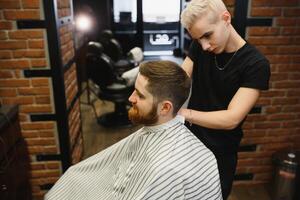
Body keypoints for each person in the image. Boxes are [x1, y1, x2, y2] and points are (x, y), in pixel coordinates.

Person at [45, 60, 222, 200]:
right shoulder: (155, 131)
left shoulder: (166, 170)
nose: (130, 98)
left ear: (165, 108)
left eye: (140, 94)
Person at [179, 0, 271, 199]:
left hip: (219, 153)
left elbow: (232, 119)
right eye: (198, 39)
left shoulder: (256, 64)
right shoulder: (201, 44)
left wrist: (182, 113)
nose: (204, 46)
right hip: (189, 142)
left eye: (207, 36)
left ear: (226, 19)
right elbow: (180, 79)